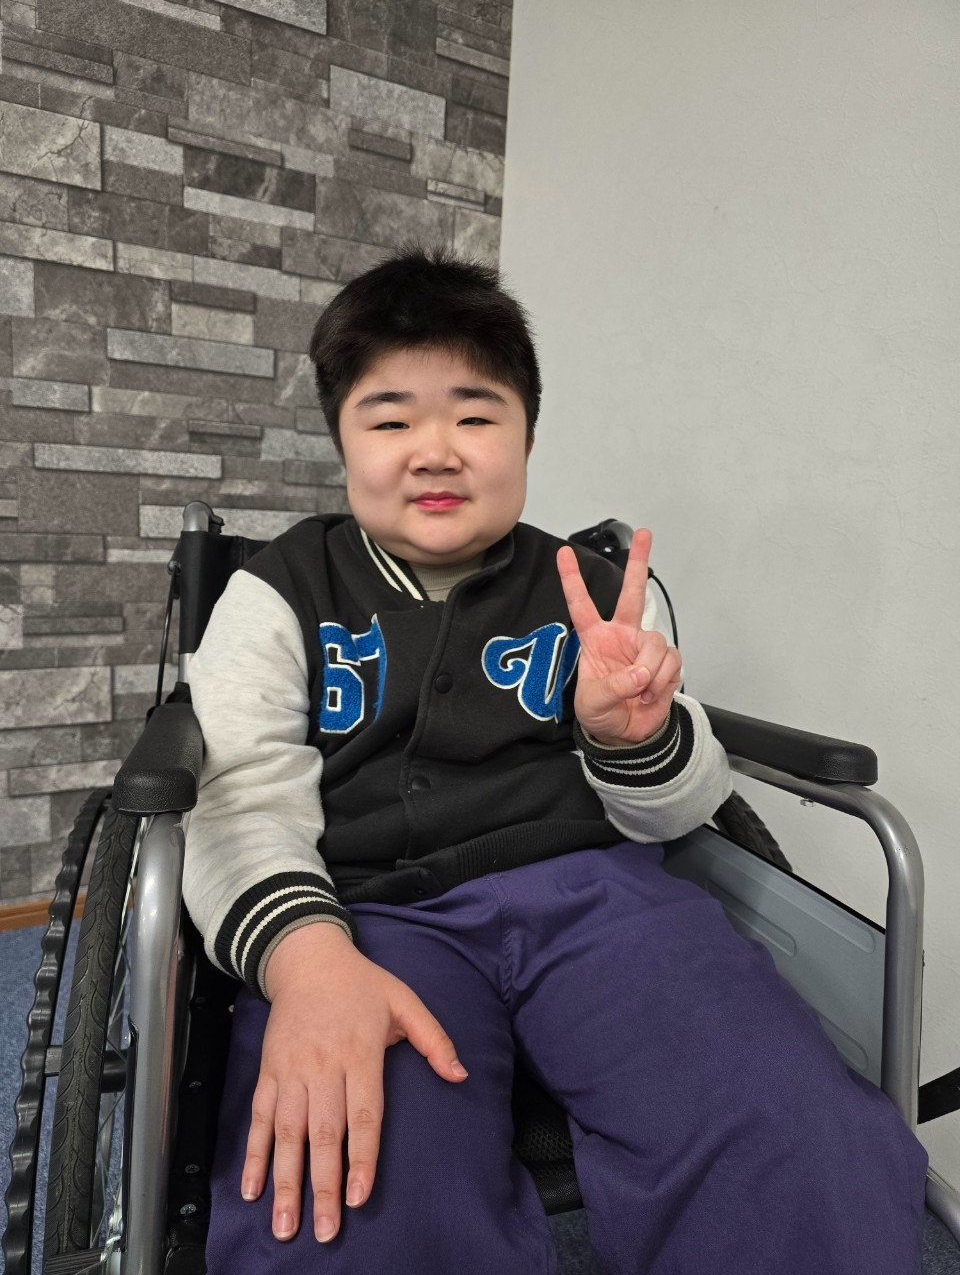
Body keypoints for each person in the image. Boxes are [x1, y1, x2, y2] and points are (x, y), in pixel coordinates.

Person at [183, 243, 928, 1274]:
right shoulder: (278, 592)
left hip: (600, 897)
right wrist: (307, 964)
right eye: (390, 420)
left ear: (528, 434)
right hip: (369, 916)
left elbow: (684, 810)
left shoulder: (598, 592)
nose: (434, 452)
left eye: (475, 417)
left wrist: (633, 737)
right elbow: (240, 803)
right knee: (348, 1199)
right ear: (341, 440)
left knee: (793, 1136)